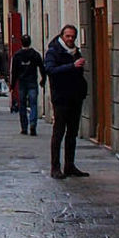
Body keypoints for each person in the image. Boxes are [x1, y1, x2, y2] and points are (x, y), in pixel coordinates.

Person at [44, 24, 90, 179]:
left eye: (72, 36)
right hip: (61, 97)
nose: (70, 39)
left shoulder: (75, 52)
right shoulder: (53, 52)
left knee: (72, 133)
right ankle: (55, 167)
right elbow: (50, 71)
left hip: (75, 97)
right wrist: (72, 66)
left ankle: (70, 165)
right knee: (59, 132)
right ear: (62, 36)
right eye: (67, 36)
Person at [9, 33, 47, 136]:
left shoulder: (17, 55)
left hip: (22, 83)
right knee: (33, 104)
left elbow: (14, 71)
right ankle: (33, 124)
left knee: (22, 105)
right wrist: (43, 79)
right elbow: (42, 68)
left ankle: (24, 127)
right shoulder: (35, 54)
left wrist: (12, 86)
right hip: (32, 82)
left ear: (21, 43)